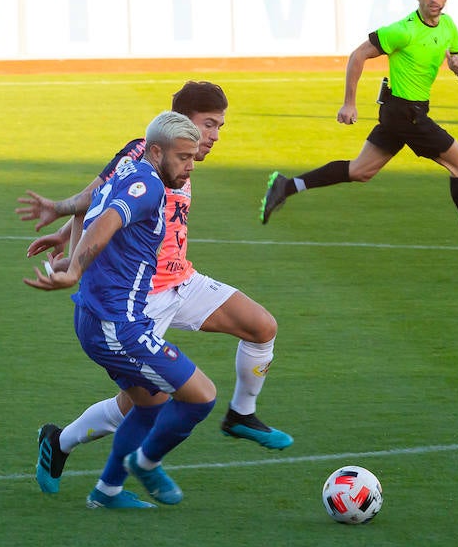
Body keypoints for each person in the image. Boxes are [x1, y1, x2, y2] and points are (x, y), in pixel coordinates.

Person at [18, 81, 291, 497]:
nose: (213, 136)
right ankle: (66, 447)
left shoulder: (181, 160)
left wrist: (63, 237)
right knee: (143, 401)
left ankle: (241, 414)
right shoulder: (143, 155)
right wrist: (68, 242)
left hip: (183, 279)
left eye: (219, 127)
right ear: (180, 124)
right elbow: (101, 201)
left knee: (262, 326)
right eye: (208, 125)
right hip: (142, 297)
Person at [27, 111, 217, 510]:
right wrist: (75, 267)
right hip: (118, 326)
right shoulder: (147, 186)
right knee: (201, 397)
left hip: (98, 317)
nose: (189, 166)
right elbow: (108, 221)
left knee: (151, 404)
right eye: (183, 158)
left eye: (192, 158)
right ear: (156, 151)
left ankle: (106, 492)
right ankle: (147, 463)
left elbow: (89, 209)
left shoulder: (127, 174)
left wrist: (69, 257)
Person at [260, 0, 458, 255]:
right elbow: (359, 54)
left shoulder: (448, 26)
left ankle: (286, 186)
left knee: (360, 171)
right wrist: (349, 102)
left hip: (403, 113)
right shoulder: (402, 30)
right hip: (406, 114)